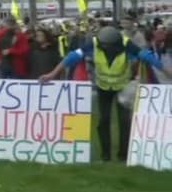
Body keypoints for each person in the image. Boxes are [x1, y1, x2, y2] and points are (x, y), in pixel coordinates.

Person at [40, 25, 171, 162]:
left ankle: (123, 156)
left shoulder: (127, 45)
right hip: (103, 87)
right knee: (103, 121)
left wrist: (168, 72)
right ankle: (105, 156)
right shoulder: (93, 44)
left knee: (124, 122)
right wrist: (52, 74)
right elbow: (72, 57)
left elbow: (149, 58)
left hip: (122, 88)